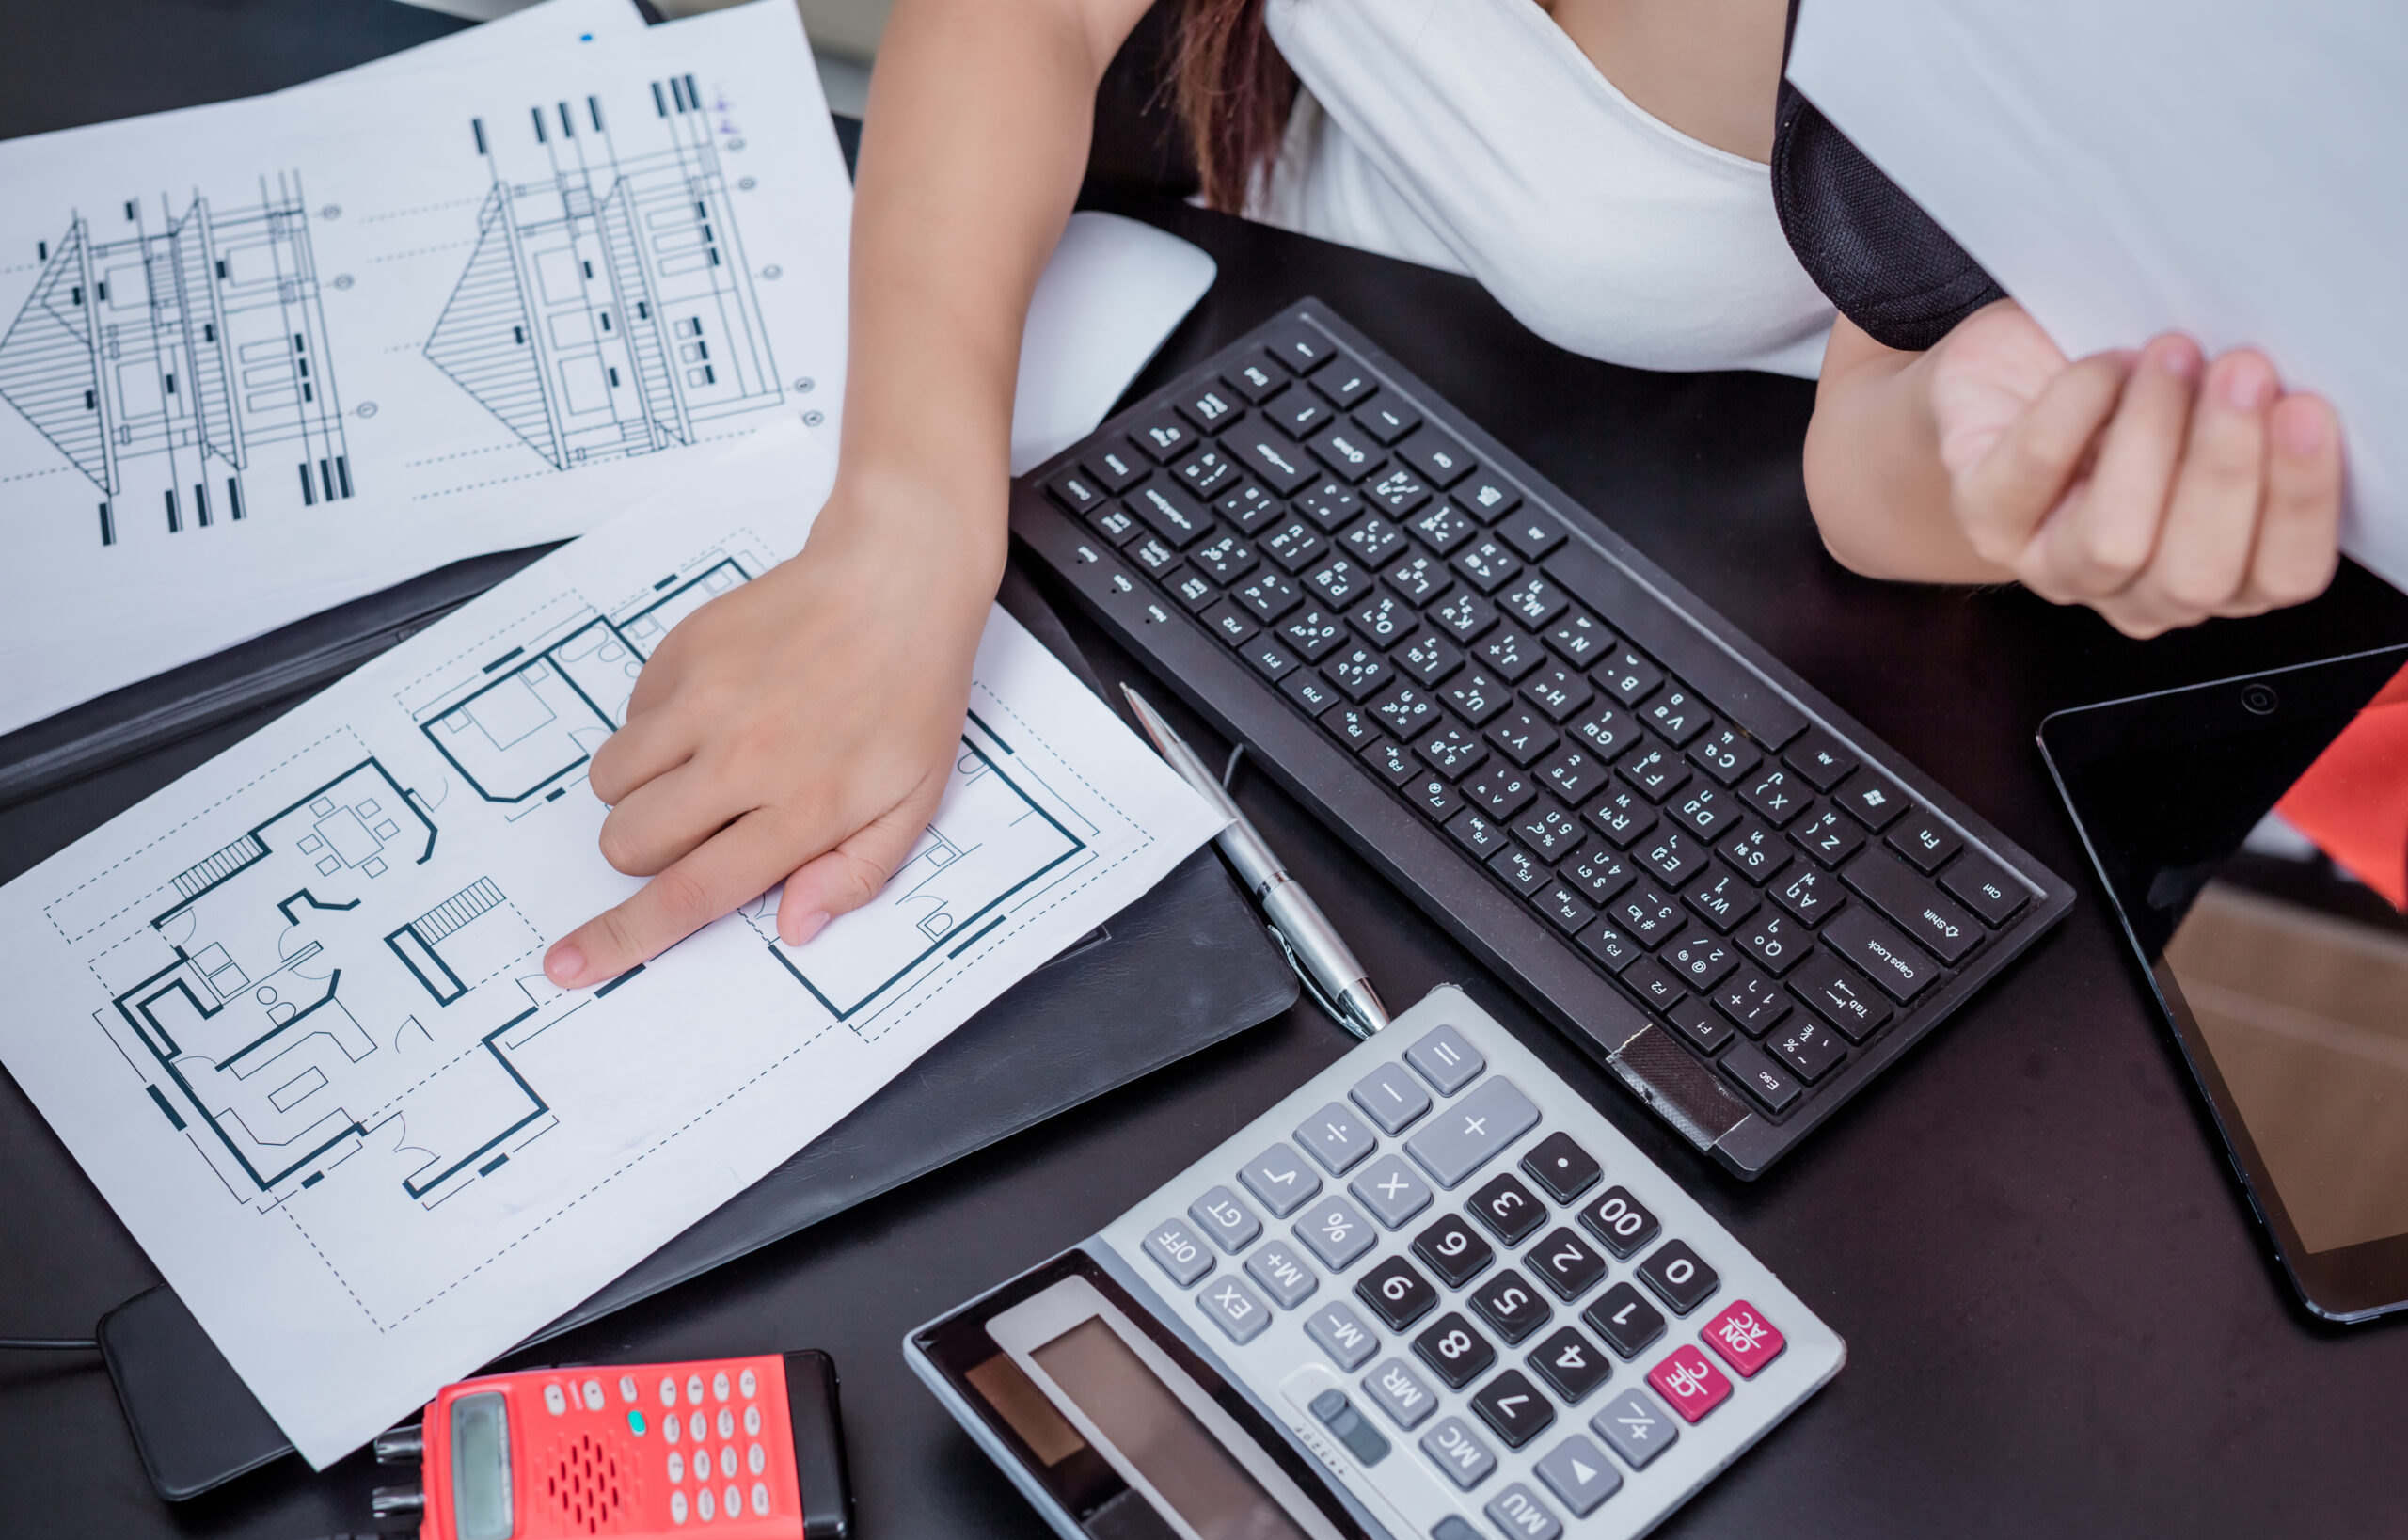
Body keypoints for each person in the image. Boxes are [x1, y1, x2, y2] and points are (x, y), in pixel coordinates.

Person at [540, 0, 2346, 991]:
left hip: (1664, 604)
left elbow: (1874, 461)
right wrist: (905, 518)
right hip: (1233, 392)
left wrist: (2016, 480)